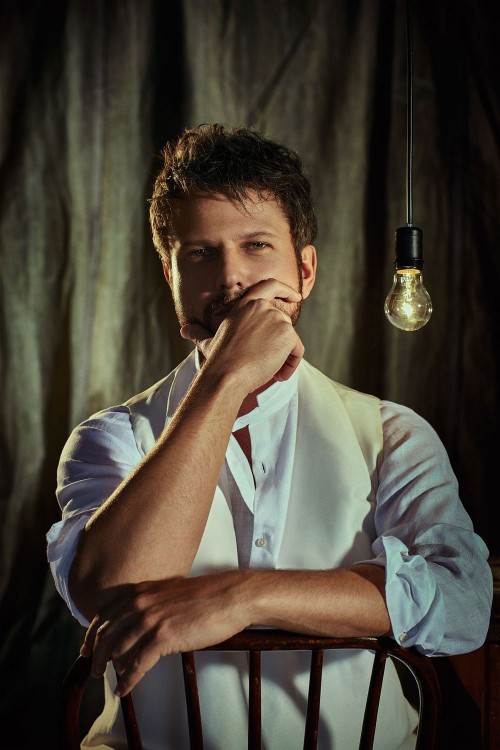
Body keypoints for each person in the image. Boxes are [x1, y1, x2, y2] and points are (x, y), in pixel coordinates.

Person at [47, 124, 492, 749]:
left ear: (304, 270)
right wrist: (226, 377)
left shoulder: (392, 435)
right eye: (199, 254)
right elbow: (108, 591)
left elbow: (464, 602)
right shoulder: (111, 438)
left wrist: (242, 597)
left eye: (256, 245)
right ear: (171, 277)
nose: (231, 277)